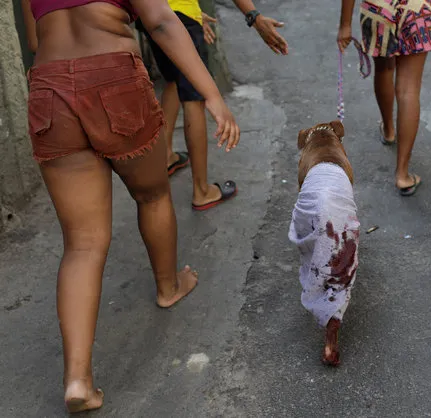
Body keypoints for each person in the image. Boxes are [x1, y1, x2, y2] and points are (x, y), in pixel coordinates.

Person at [21, 0, 239, 412]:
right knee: (152, 193)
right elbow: (159, 19)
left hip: (49, 84)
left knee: (82, 243)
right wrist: (211, 95)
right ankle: (168, 286)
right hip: (112, 75)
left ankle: (78, 381)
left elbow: (35, 38)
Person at [143, 0, 288, 211]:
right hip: (178, 15)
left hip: (148, 14)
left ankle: (166, 157)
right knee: (194, 97)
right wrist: (254, 17)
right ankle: (202, 191)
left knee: (174, 80)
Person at [338, 0, 431, 196]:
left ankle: (388, 130)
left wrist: (344, 25)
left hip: (379, 8)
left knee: (384, 69)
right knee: (409, 90)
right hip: (417, 9)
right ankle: (402, 174)